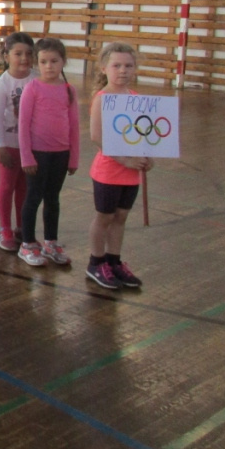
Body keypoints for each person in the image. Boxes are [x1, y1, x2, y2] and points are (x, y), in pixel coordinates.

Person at [86, 43, 151, 289]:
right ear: (104, 68)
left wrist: (147, 157)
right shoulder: (102, 99)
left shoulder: (135, 98)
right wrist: (125, 160)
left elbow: (143, 134)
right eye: (117, 65)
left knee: (121, 217)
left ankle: (114, 261)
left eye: (128, 65)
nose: (123, 70)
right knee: (105, 216)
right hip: (109, 170)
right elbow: (97, 136)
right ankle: (96, 262)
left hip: (131, 171)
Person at [18, 38, 79, 268]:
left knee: (53, 199)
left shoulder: (69, 90)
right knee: (33, 197)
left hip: (61, 154)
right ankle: (27, 244)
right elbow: (23, 125)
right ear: (37, 63)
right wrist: (26, 156)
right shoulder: (32, 88)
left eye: (54, 61)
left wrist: (73, 157)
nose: (49, 66)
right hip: (37, 154)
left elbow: (74, 126)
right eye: (43, 62)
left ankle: (50, 243)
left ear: (63, 62)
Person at [0, 32, 35, 252]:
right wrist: (0, 147)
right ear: (6, 56)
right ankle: (5, 229)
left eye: (28, 53)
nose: (24, 58)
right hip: (9, 144)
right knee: (7, 185)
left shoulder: (36, 79)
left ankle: (21, 227)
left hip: (31, 146)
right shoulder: (3, 83)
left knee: (24, 187)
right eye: (18, 54)